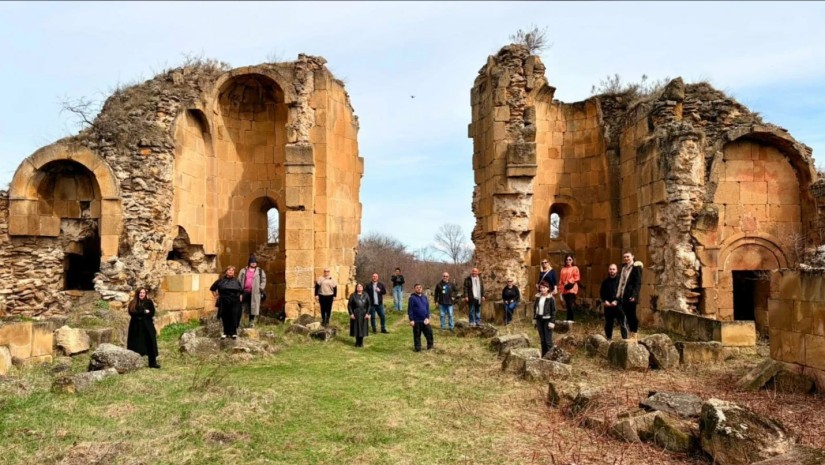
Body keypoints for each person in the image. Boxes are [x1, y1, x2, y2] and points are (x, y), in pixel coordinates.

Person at [127, 288, 160, 368]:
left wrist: (141, 313)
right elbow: (132, 313)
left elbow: (151, 313)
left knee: (150, 343)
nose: (142, 294)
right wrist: (143, 312)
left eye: (143, 293)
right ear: (137, 294)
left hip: (147, 326)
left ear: (145, 294)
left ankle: (152, 363)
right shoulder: (133, 303)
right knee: (136, 344)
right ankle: (132, 363)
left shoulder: (149, 302)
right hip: (136, 327)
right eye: (140, 293)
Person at [617, 251, 644, 340]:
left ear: (632, 256)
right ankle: (631, 333)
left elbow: (638, 283)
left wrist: (634, 295)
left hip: (631, 295)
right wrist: (619, 294)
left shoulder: (636, 267)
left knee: (632, 314)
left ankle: (634, 333)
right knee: (627, 315)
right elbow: (622, 282)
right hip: (624, 294)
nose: (626, 259)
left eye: (628, 257)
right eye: (624, 257)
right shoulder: (624, 268)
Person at [211, 266, 243, 339]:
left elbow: (240, 291)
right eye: (229, 270)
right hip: (224, 301)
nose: (231, 271)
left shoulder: (236, 281)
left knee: (234, 316)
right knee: (225, 316)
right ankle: (226, 332)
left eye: (232, 270)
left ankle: (233, 333)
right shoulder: (220, 280)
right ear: (226, 271)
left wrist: (240, 297)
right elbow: (212, 288)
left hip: (235, 301)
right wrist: (216, 296)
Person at [238, 255, 267, 328]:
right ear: (249, 263)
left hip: (255, 292)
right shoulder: (243, 270)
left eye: (255, 262)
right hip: (244, 291)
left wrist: (261, 288)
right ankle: (239, 321)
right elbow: (239, 280)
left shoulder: (260, 271)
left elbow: (263, 280)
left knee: (253, 308)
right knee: (240, 306)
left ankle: (251, 322)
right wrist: (239, 290)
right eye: (252, 262)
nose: (253, 263)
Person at [600, 264, 627, 340]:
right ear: (608, 270)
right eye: (610, 269)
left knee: (623, 323)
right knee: (608, 323)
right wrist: (605, 301)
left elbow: (623, 293)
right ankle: (609, 339)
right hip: (608, 306)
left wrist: (617, 301)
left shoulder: (620, 281)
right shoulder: (605, 282)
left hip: (619, 306)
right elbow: (602, 293)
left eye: (613, 269)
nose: (612, 271)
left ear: (616, 270)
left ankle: (625, 340)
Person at [533, 280, 557, 357]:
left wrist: (552, 322)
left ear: (547, 288)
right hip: (539, 319)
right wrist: (535, 319)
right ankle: (544, 356)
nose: (542, 289)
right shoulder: (538, 297)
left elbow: (553, 311)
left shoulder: (551, 298)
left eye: (544, 288)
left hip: (548, 320)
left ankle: (551, 357)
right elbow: (535, 308)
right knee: (542, 340)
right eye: (540, 287)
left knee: (548, 341)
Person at [408, 284, 434, 352]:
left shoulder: (424, 297)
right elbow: (410, 310)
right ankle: (417, 347)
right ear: (414, 289)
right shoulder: (412, 298)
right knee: (417, 335)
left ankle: (430, 346)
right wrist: (411, 320)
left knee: (429, 333)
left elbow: (427, 308)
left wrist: (427, 318)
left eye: (420, 287)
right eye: (417, 288)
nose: (419, 289)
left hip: (425, 320)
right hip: (416, 320)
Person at [347, 283, 371, 347]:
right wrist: (351, 314)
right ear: (356, 287)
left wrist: (367, 313)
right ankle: (357, 342)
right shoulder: (353, 295)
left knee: (362, 328)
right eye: (358, 286)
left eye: (360, 286)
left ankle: (361, 342)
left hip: (364, 313)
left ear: (362, 287)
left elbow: (369, 305)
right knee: (356, 328)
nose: (359, 287)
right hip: (356, 313)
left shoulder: (366, 295)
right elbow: (349, 305)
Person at [559, 254, 581, 322]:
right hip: (564, 288)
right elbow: (560, 280)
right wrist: (560, 290)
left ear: (572, 260)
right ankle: (568, 319)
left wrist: (569, 281)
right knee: (567, 304)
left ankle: (570, 319)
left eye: (570, 260)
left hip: (572, 288)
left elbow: (577, 278)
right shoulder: (563, 269)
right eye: (567, 260)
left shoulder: (575, 268)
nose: (568, 261)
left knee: (570, 303)